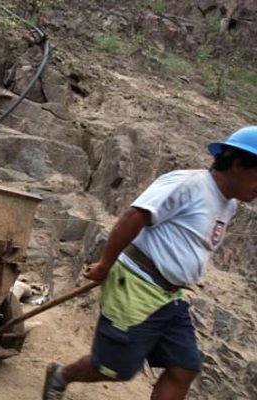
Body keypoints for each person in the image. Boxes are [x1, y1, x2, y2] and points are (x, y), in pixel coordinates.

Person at [42, 126, 257, 400]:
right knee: (113, 368)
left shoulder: (229, 205)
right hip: (136, 285)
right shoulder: (189, 184)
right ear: (238, 164)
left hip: (170, 295)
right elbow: (134, 216)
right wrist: (105, 266)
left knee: (184, 367)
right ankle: (62, 375)